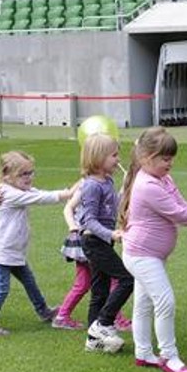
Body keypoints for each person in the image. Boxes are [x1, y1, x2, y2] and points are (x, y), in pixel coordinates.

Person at [120, 127, 187, 372]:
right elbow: (179, 214)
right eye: (165, 159)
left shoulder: (163, 179)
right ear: (146, 158)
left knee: (144, 303)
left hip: (149, 254)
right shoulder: (147, 185)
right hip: (141, 255)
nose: (170, 163)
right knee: (164, 300)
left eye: (171, 158)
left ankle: (143, 353)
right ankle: (169, 356)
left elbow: (182, 204)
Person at [0, 151, 74, 336]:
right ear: (7, 175)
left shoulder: (19, 189)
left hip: (14, 251)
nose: (29, 177)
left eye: (31, 172)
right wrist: (69, 193)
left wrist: (66, 192)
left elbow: (39, 193)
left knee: (29, 282)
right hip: (2, 253)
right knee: (2, 289)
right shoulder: (9, 193)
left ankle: (43, 311)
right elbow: (40, 198)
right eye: (24, 174)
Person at [75, 133, 136, 354]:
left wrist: (127, 187)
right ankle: (104, 323)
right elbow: (88, 220)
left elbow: (113, 204)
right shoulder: (91, 186)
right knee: (127, 278)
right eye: (113, 155)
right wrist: (111, 234)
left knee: (99, 290)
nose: (117, 160)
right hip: (94, 240)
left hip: (102, 241)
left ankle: (93, 339)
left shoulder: (107, 181)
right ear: (98, 158)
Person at [52, 193, 132, 331]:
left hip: (86, 241)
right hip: (88, 240)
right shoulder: (89, 185)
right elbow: (69, 208)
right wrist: (73, 227)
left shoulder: (96, 184)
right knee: (113, 281)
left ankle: (62, 316)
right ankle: (117, 320)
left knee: (83, 284)